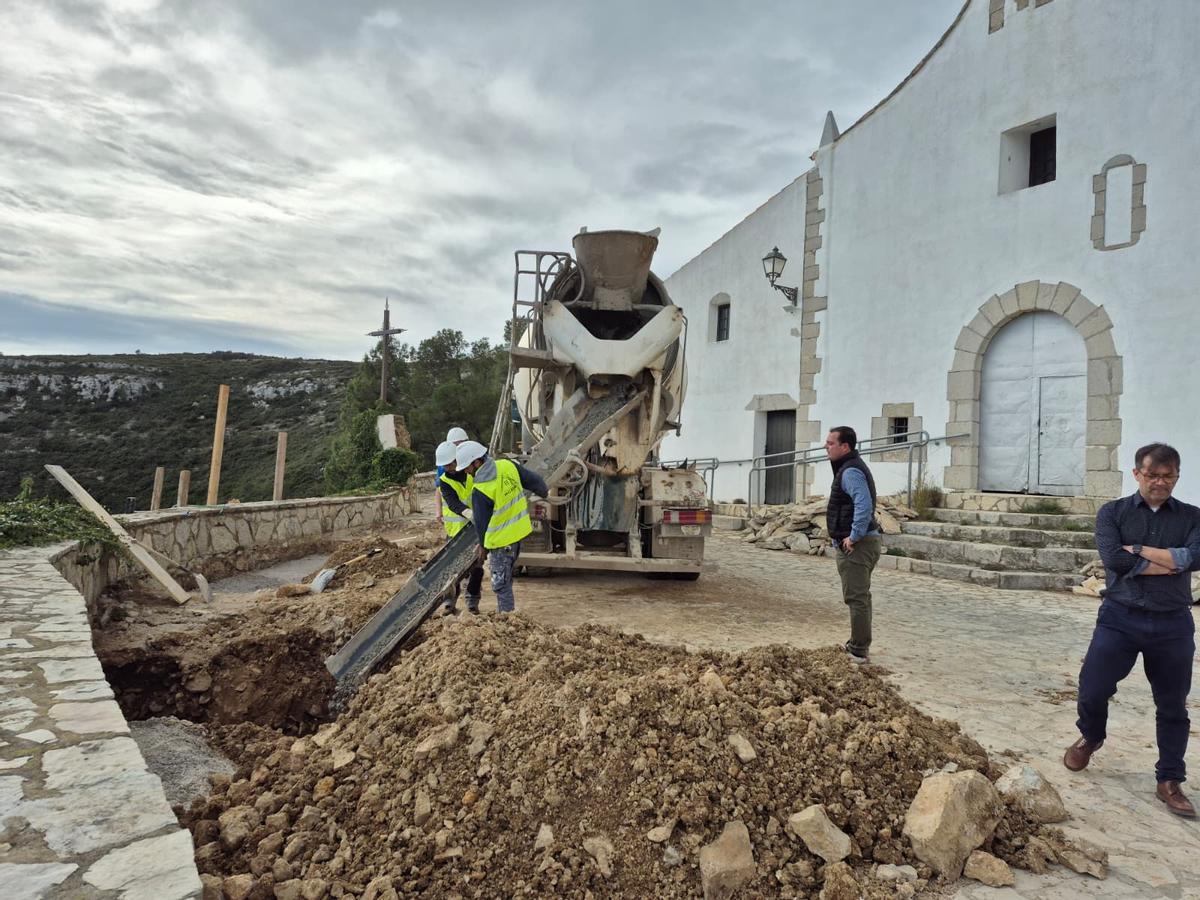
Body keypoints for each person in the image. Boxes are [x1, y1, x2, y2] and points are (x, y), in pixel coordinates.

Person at [1063, 442, 1200, 817]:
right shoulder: (1113, 513)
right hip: (1120, 617)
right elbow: (1113, 559)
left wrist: (1138, 550)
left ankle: (1169, 780)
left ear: (1177, 477)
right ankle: (1091, 735)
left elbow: (1196, 557)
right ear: (1137, 473)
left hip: (1173, 622)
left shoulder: (1193, 517)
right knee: (1093, 687)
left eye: (1168, 476)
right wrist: (1173, 561)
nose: (1160, 482)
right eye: (1153, 474)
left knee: (1172, 704)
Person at [455, 440, 548, 613]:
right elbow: (534, 481)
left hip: (500, 543)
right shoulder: (507, 465)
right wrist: (544, 491)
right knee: (506, 579)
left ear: (477, 462)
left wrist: (483, 547)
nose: (466, 472)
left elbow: (482, 523)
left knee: (500, 585)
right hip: (517, 536)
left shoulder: (480, 489)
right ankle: (507, 616)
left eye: (467, 467)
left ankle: (507, 618)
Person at [825, 426, 882, 664]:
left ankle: (858, 650)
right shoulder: (849, 467)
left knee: (856, 598)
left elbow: (863, 504)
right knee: (860, 597)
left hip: (858, 546)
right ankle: (857, 643)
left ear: (845, 447)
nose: (826, 447)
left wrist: (854, 536)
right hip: (863, 542)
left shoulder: (850, 471)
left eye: (831, 443)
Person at [435, 440, 484, 615]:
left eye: (450, 464)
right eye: (445, 466)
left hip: (475, 531)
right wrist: (470, 513)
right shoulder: (444, 482)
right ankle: (449, 603)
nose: (447, 468)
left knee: (477, 568)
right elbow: (453, 503)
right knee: (452, 569)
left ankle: (472, 602)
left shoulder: (472, 473)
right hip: (455, 532)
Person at [434, 427, 470, 523]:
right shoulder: (443, 467)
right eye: (455, 445)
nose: (458, 448)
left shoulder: (471, 462)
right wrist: (438, 511)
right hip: (455, 518)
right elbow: (439, 489)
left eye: (460, 444)